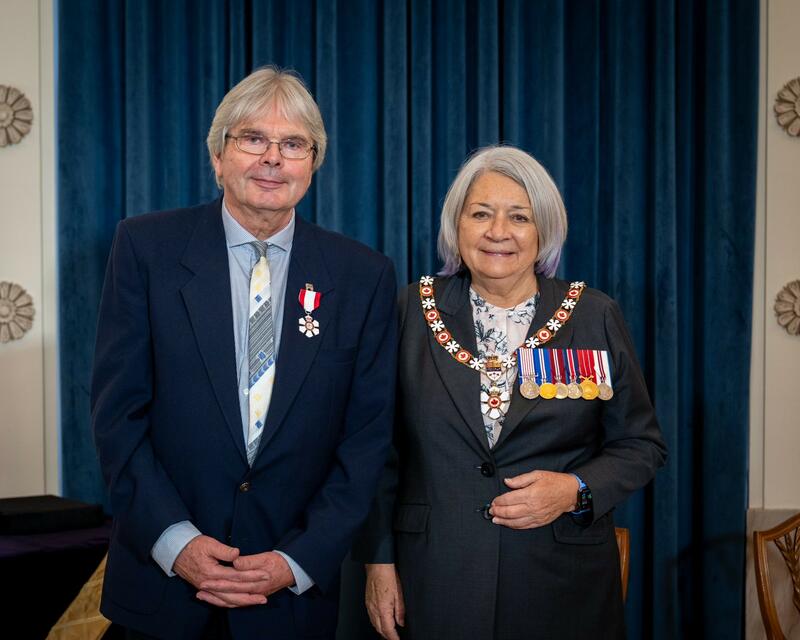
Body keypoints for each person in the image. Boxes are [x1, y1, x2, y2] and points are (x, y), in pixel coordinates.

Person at [91, 66, 397, 639]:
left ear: (313, 164)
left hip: (290, 601)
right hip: (163, 594)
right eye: (253, 139)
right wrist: (174, 542)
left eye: (293, 144)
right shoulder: (145, 248)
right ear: (218, 156)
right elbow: (117, 418)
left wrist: (296, 561)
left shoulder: (363, 276)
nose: (273, 159)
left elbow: (367, 441)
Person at [356, 145, 667, 639]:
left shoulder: (593, 315)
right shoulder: (408, 312)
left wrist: (574, 489)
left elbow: (641, 445)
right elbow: (373, 452)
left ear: (542, 230)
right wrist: (377, 563)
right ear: (456, 226)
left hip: (561, 584)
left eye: (518, 217)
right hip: (433, 577)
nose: (498, 231)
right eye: (481, 213)